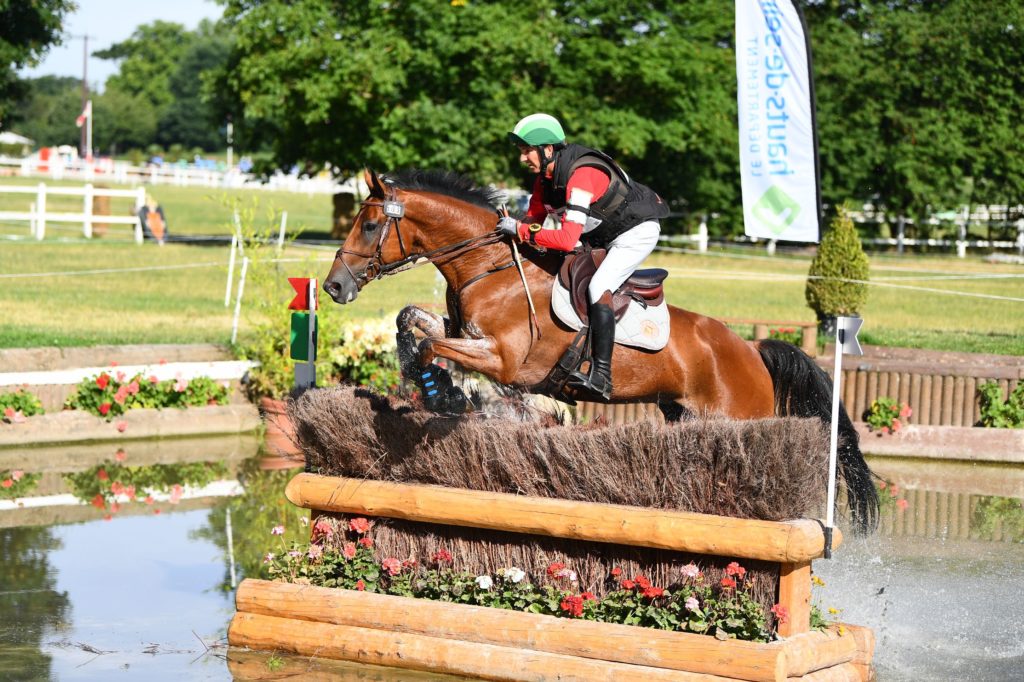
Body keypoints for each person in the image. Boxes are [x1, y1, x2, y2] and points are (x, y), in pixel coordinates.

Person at [498, 113, 670, 401]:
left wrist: (521, 230)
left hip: (634, 234)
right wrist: (515, 228)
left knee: (597, 286)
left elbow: (564, 239)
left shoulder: (582, 176)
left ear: (548, 149)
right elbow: (533, 221)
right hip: (600, 236)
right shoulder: (545, 181)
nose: (523, 159)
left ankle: (601, 374)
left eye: (527, 150)